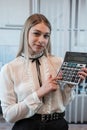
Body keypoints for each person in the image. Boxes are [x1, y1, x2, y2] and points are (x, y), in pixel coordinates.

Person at [0, 13, 87, 130]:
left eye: (46, 36)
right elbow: (9, 116)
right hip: (27, 126)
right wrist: (39, 93)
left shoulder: (58, 62)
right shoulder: (9, 69)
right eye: (36, 33)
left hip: (58, 125)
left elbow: (64, 103)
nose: (41, 40)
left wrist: (70, 86)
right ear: (26, 33)